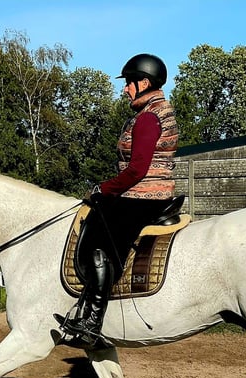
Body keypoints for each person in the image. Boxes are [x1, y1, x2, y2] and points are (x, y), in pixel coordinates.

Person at [60, 53, 179, 347]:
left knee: (100, 239)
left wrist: (105, 188)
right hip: (144, 193)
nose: (125, 88)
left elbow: (138, 168)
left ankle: (92, 322)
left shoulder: (150, 118)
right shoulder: (150, 112)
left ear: (144, 82)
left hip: (144, 195)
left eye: (128, 83)